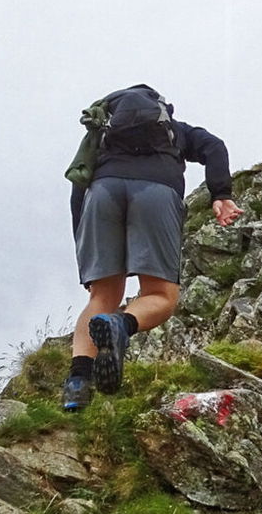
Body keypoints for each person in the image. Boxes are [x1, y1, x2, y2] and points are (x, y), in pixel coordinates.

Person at [62, 89, 242, 411]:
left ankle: (77, 383)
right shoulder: (176, 131)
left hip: (101, 193)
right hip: (156, 193)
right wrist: (220, 193)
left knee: (102, 297)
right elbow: (215, 146)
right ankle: (123, 325)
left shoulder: (101, 138)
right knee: (161, 295)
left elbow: (79, 185)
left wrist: (85, 252)